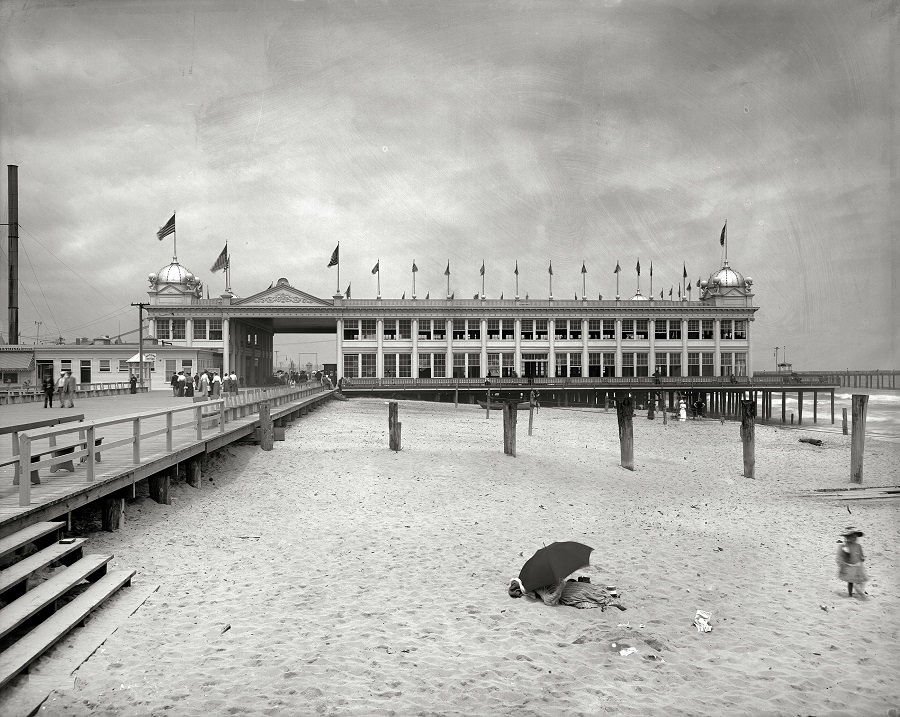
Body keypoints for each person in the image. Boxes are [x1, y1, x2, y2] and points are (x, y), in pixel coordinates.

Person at [836, 526, 867, 598]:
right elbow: (842, 555)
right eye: (852, 537)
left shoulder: (858, 546)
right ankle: (850, 593)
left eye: (855, 537)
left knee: (861, 580)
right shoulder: (845, 546)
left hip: (858, 566)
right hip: (850, 566)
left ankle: (860, 591)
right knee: (850, 581)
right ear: (848, 538)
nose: (854, 538)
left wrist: (862, 557)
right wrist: (843, 562)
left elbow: (861, 554)